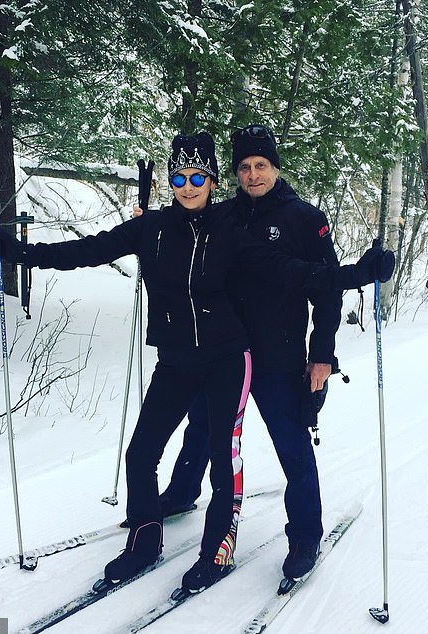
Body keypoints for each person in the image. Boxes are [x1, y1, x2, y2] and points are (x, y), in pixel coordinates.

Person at [0, 131, 394, 594]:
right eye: (182, 175)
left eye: (201, 175)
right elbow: (91, 249)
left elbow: (309, 277)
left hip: (263, 357)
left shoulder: (275, 224)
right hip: (191, 357)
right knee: (170, 445)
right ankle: (160, 521)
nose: (192, 183)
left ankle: (291, 540)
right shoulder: (198, 220)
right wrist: (16, 251)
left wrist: (352, 294)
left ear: (220, 178)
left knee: (280, 450)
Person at [155, 124, 345, 582]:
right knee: (202, 427)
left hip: (277, 355)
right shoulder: (223, 216)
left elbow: (330, 289)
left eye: (261, 165)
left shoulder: (304, 218)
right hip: (222, 352)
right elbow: (183, 229)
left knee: (292, 444)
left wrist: (321, 355)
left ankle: (304, 534)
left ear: (276, 167)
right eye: (244, 167)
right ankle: (182, 492)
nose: (253, 175)